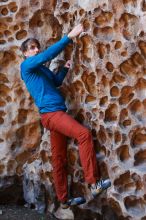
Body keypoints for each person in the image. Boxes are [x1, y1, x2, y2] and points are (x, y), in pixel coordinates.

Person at [20, 24, 111, 209]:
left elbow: (55, 81)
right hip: (52, 115)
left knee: (59, 158)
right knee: (83, 134)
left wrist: (65, 69)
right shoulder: (27, 65)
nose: (36, 49)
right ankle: (94, 183)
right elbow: (47, 56)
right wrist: (69, 37)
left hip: (53, 116)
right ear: (25, 53)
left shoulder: (42, 70)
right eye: (32, 47)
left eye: (37, 46)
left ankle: (63, 200)